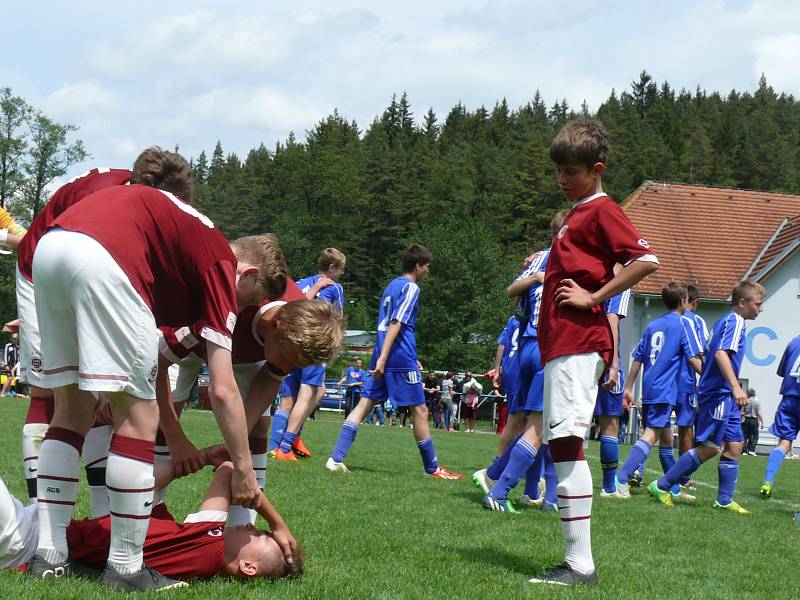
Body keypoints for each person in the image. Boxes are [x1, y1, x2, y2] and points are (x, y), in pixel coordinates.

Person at [28, 153, 278, 590]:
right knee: (138, 418)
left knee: (70, 410)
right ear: (249, 274)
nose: (239, 312)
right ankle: (125, 566)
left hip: (52, 246)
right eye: (246, 301)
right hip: (105, 255)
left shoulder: (168, 227)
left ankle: (50, 555)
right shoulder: (219, 258)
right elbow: (222, 390)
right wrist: (243, 466)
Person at [530, 119, 659, 586]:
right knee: (560, 443)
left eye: (571, 172)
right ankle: (574, 561)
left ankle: (580, 565)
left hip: (580, 343)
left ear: (597, 169)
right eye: (558, 172)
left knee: (565, 443)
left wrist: (595, 296)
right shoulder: (575, 215)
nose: (562, 180)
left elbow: (646, 260)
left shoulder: (603, 210)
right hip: (561, 344)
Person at [0, 445, 302, 582]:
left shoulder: (207, 548)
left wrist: (278, 523)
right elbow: (139, 490)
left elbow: (229, 471)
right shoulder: (182, 541)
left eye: (262, 535)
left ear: (248, 567)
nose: (253, 528)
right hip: (29, 531)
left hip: (25, 539)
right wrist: (200, 459)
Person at [325, 244, 462, 479]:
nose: (428, 271)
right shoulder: (411, 287)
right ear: (418, 266)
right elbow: (396, 323)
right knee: (419, 409)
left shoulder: (391, 286)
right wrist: (389, 357)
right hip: (397, 357)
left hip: (387, 354)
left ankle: (335, 458)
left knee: (364, 404)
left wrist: (384, 357)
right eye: (427, 266)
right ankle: (432, 468)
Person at [649, 281, 765, 515]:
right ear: (742, 302)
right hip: (719, 393)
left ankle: (723, 499)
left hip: (723, 394)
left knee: (735, 445)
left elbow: (709, 351)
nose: (760, 309)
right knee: (710, 447)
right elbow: (721, 353)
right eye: (758, 304)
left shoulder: (726, 320)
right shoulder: (735, 321)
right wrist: (736, 387)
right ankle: (661, 485)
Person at [476, 215, 565, 514]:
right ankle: (497, 484)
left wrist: (535, 275)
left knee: (540, 424)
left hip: (527, 346)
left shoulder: (539, 259)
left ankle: (540, 495)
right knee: (545, 426)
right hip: (547, 347)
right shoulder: (570, 260)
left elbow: (511, 290)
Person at [614, 283, 702, 500]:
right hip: (665, 389)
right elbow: (693, 358)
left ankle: (671, 486)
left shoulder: (653, 325)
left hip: (650, 385)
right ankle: (621, 478)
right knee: (651, 434)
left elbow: (638, 357)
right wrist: (713, 379)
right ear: (683, 301)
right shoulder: (684, 323)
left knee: (664, 436)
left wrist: (629, 386)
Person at [270, 248, 346, 461]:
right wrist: (333, 348)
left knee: (295, 396)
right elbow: (337, 319)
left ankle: (276, 444)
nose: (341, 274)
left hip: (291, 344)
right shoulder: (334, 287)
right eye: (341, 269)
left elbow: (289, 307)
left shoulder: (301, 281)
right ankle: (285, 446)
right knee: (308, 393)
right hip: (313, 345)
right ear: (332, 268)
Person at [594, 289, 632, 497]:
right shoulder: (621, 283)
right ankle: (609, 487)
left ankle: (546, 479)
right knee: (610, 425)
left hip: (579, 351)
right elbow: (612, 318)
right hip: (605, 356)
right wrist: (614, 361)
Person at [760, 335, 800, 498]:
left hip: (789, 398)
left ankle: (767, 481)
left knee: (784, 443)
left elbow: (782, 371)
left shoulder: (794, 341)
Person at [742, 389, 763, 456]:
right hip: (754, 420)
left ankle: (744, 451)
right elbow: (759, 413)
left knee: (745, 436)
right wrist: (762, 422)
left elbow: (742, 411)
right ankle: (751, 449)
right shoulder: (757, 401)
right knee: (755, 435)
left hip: (746, 419)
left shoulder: (746, 401)